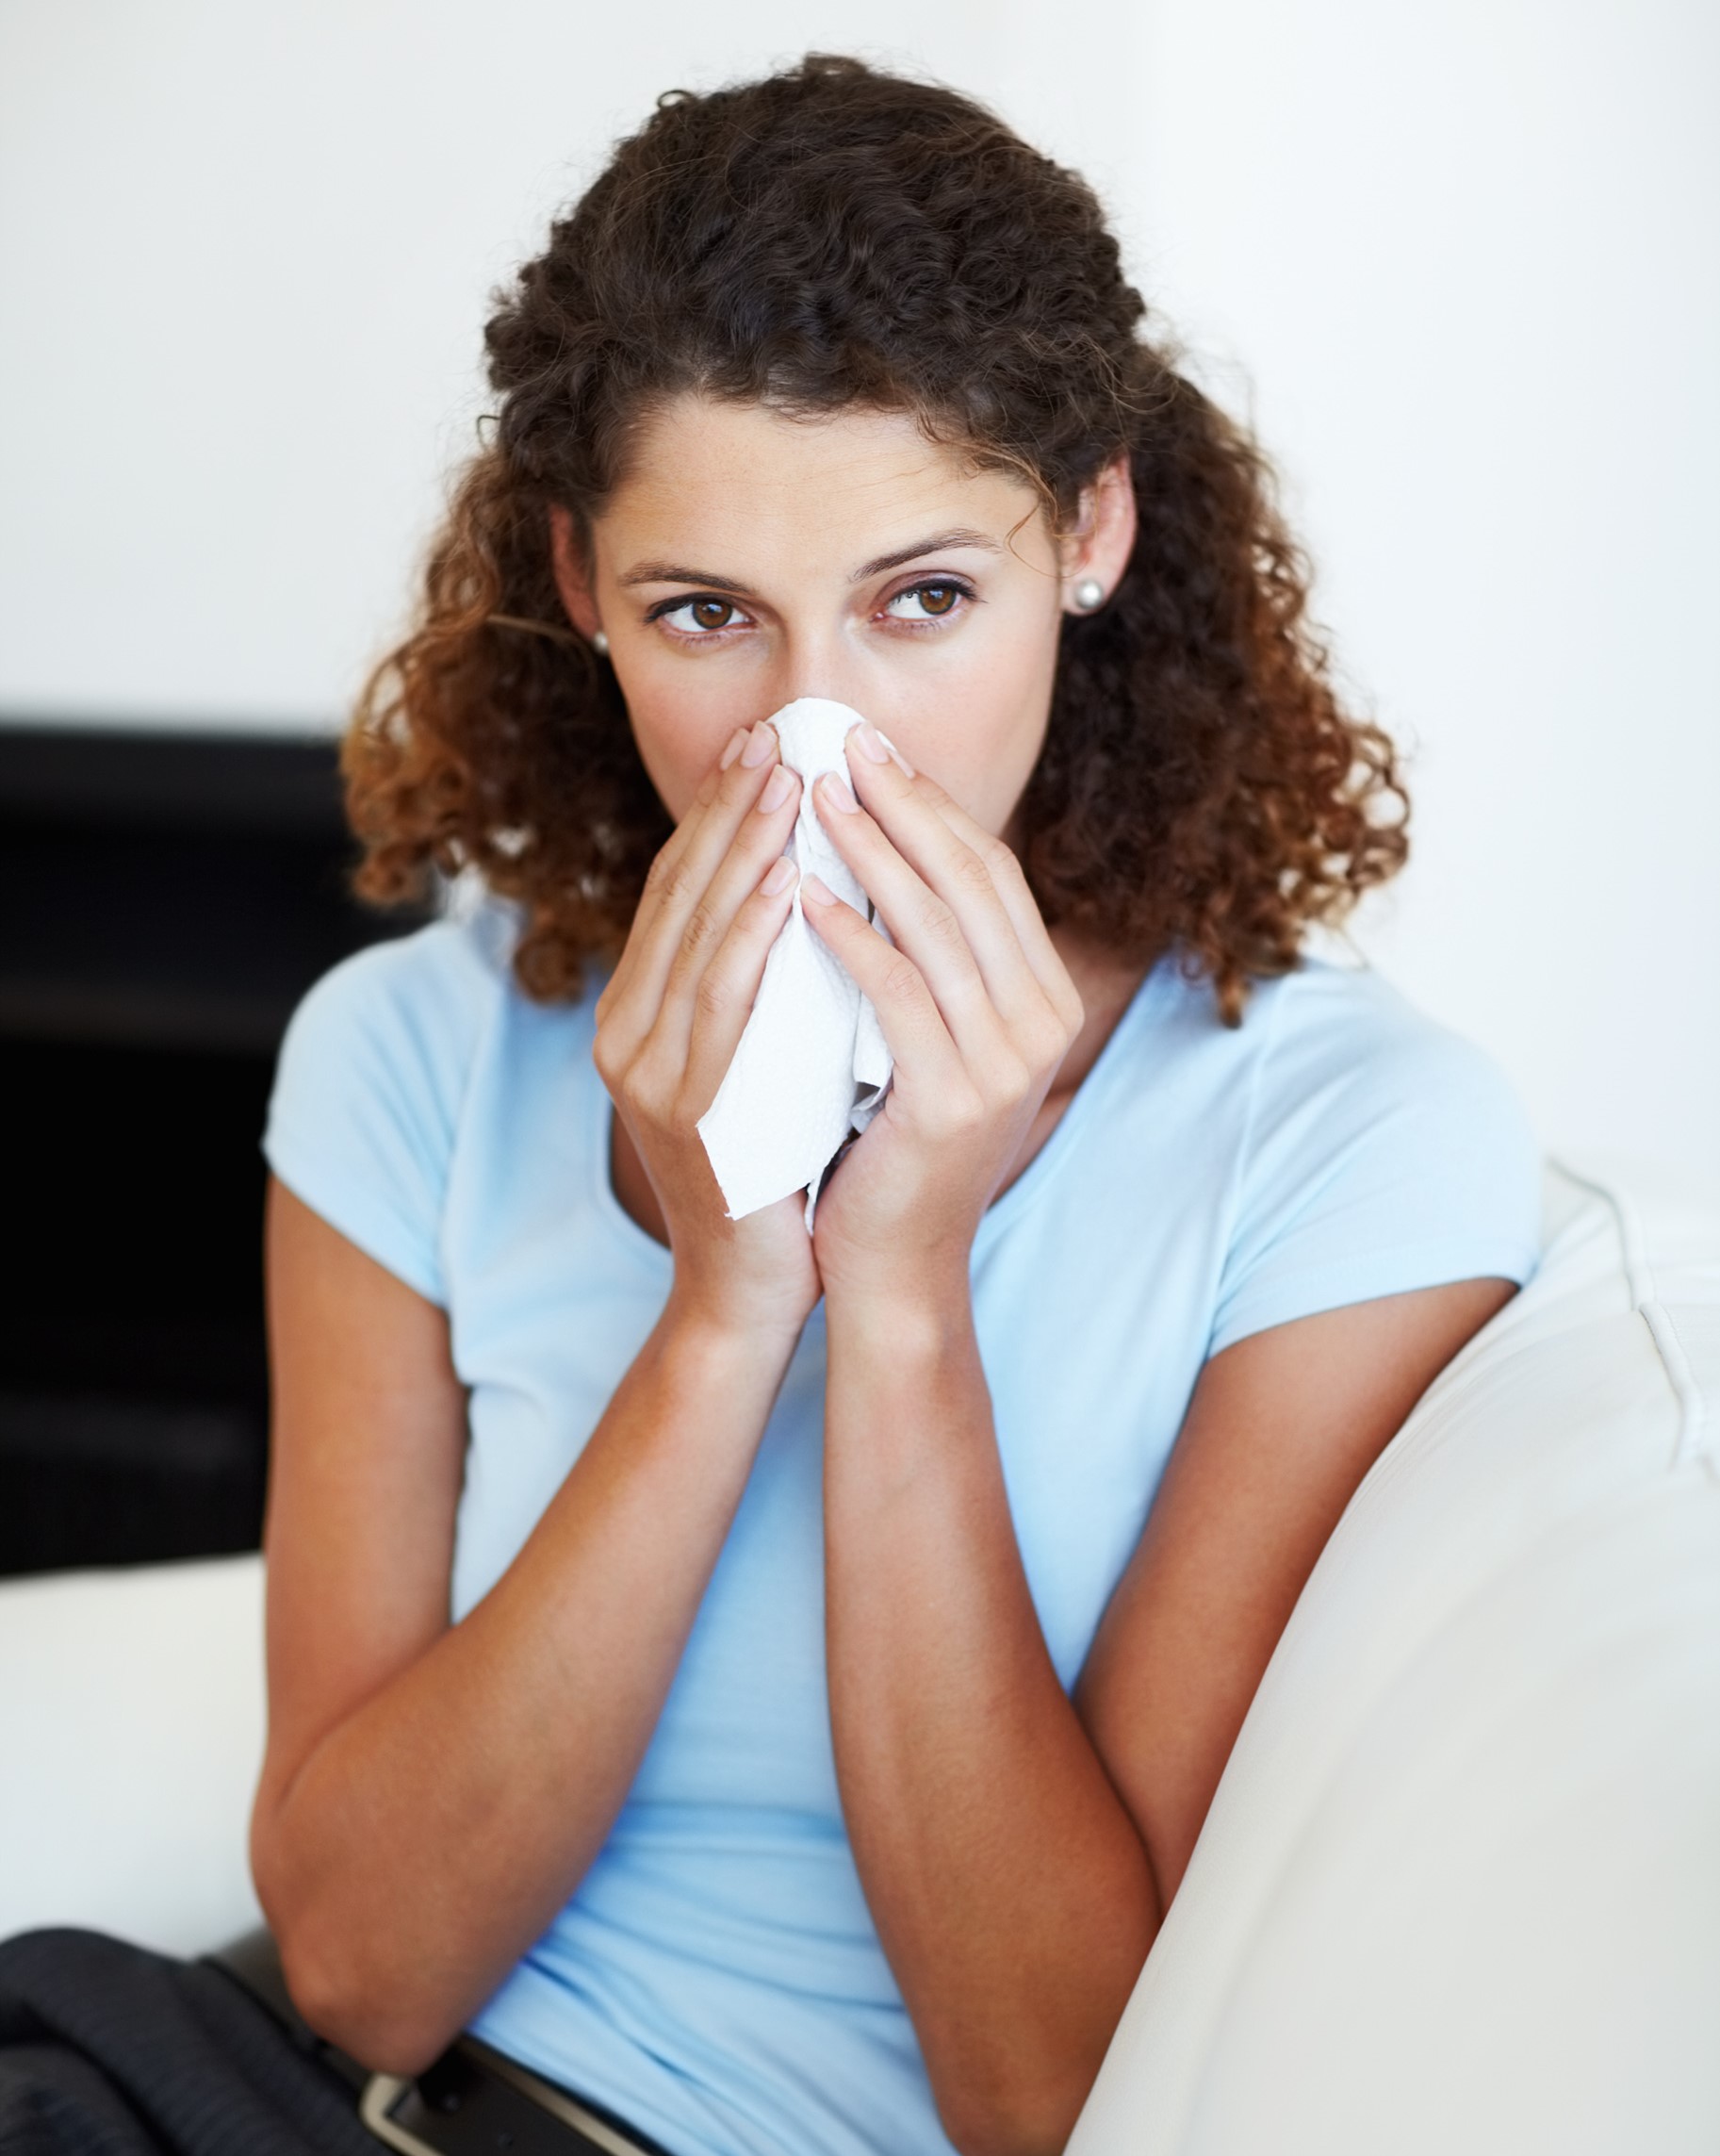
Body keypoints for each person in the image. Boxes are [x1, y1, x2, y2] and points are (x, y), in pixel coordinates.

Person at [0, 52, 1541, 2156]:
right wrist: (726, 1300)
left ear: (1087, 531)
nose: (814, 741)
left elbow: (1048, 2091)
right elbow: (362, 1961)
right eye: (708, 615)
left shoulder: (1350, 1148)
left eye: (923, 599)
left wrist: (898, 1287)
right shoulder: (415, 1051)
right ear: (575, 583)